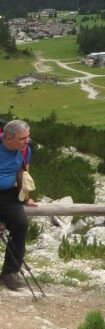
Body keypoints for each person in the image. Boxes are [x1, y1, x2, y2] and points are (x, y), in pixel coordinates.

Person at [0, 119, 37, 291]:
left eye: (27, 137)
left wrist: (26, 197)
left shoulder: (24, 150)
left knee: (20, 224)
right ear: (8, 140)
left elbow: (23, 173)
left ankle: (10, 273)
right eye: (23, 138)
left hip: (8, 194)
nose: (27, 141)